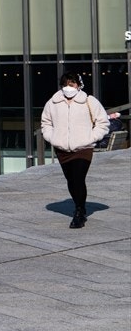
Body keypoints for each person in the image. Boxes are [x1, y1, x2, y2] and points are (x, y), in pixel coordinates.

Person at [40, 71, 109, 229]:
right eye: (65, 85)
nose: (68, 88)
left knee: (78, 178)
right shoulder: (53, 102)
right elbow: (46, 122)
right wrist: (53, 138)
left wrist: (91, 137)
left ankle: (79, 211)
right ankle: (79, 206)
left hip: (83, 148)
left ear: (78, 85)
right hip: (62, 149)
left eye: (71, 84)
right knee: (71, 180)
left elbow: (103, 122)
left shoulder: (89, 101)